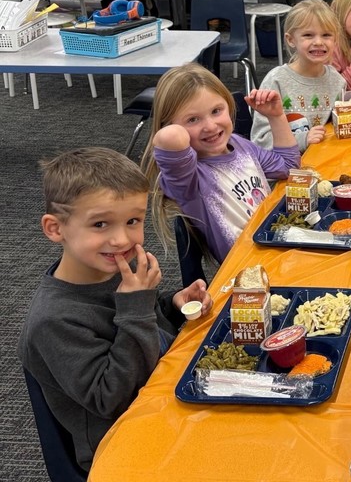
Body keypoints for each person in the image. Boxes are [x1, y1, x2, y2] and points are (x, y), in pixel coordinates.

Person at [17, 147, 213, 472]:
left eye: (133, 221)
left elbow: (138, 317)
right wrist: (136, 305)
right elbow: (112, 399)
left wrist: (173, 304)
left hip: (165, 398)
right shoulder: (53, 321)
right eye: (100, 224)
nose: (121, 239)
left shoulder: (106, 271)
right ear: (55, 229)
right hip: (125, 447)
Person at [140, 63, 301, 263]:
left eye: (216, 111)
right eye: (192, 120)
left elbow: (288, 167)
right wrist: (171, 127)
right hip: (249, 270)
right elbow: (169, 137)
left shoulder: (239, 145)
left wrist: (276, 117)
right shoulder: (187, 179)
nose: (210, 126)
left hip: (279, 248)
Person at [250, 0, 346, 152]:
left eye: (326, 35)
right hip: (286, 168)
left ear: (336, 40)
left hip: (324, 161)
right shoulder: (276, 81)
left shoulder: (338, 81)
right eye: (308, 35)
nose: (318, 42)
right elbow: (260, 140)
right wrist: (303, 139)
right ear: (291, 40)